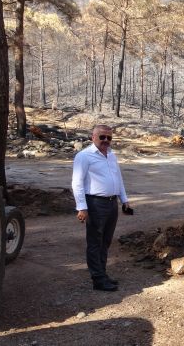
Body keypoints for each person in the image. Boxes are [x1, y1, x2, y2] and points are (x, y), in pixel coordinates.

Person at [72, 125, 131, 292]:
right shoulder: (84, 156)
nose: (106, 141)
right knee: (95, 242)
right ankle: (97, 279)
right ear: (93, 137)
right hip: (95, 204)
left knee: (105, 242)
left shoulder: (111, 155)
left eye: (109, 138)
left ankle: (102, 274)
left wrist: (124, 200)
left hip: (112, 203)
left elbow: (118, 179)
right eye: (102, 137)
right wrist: (82, 207)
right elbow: (77, 183)